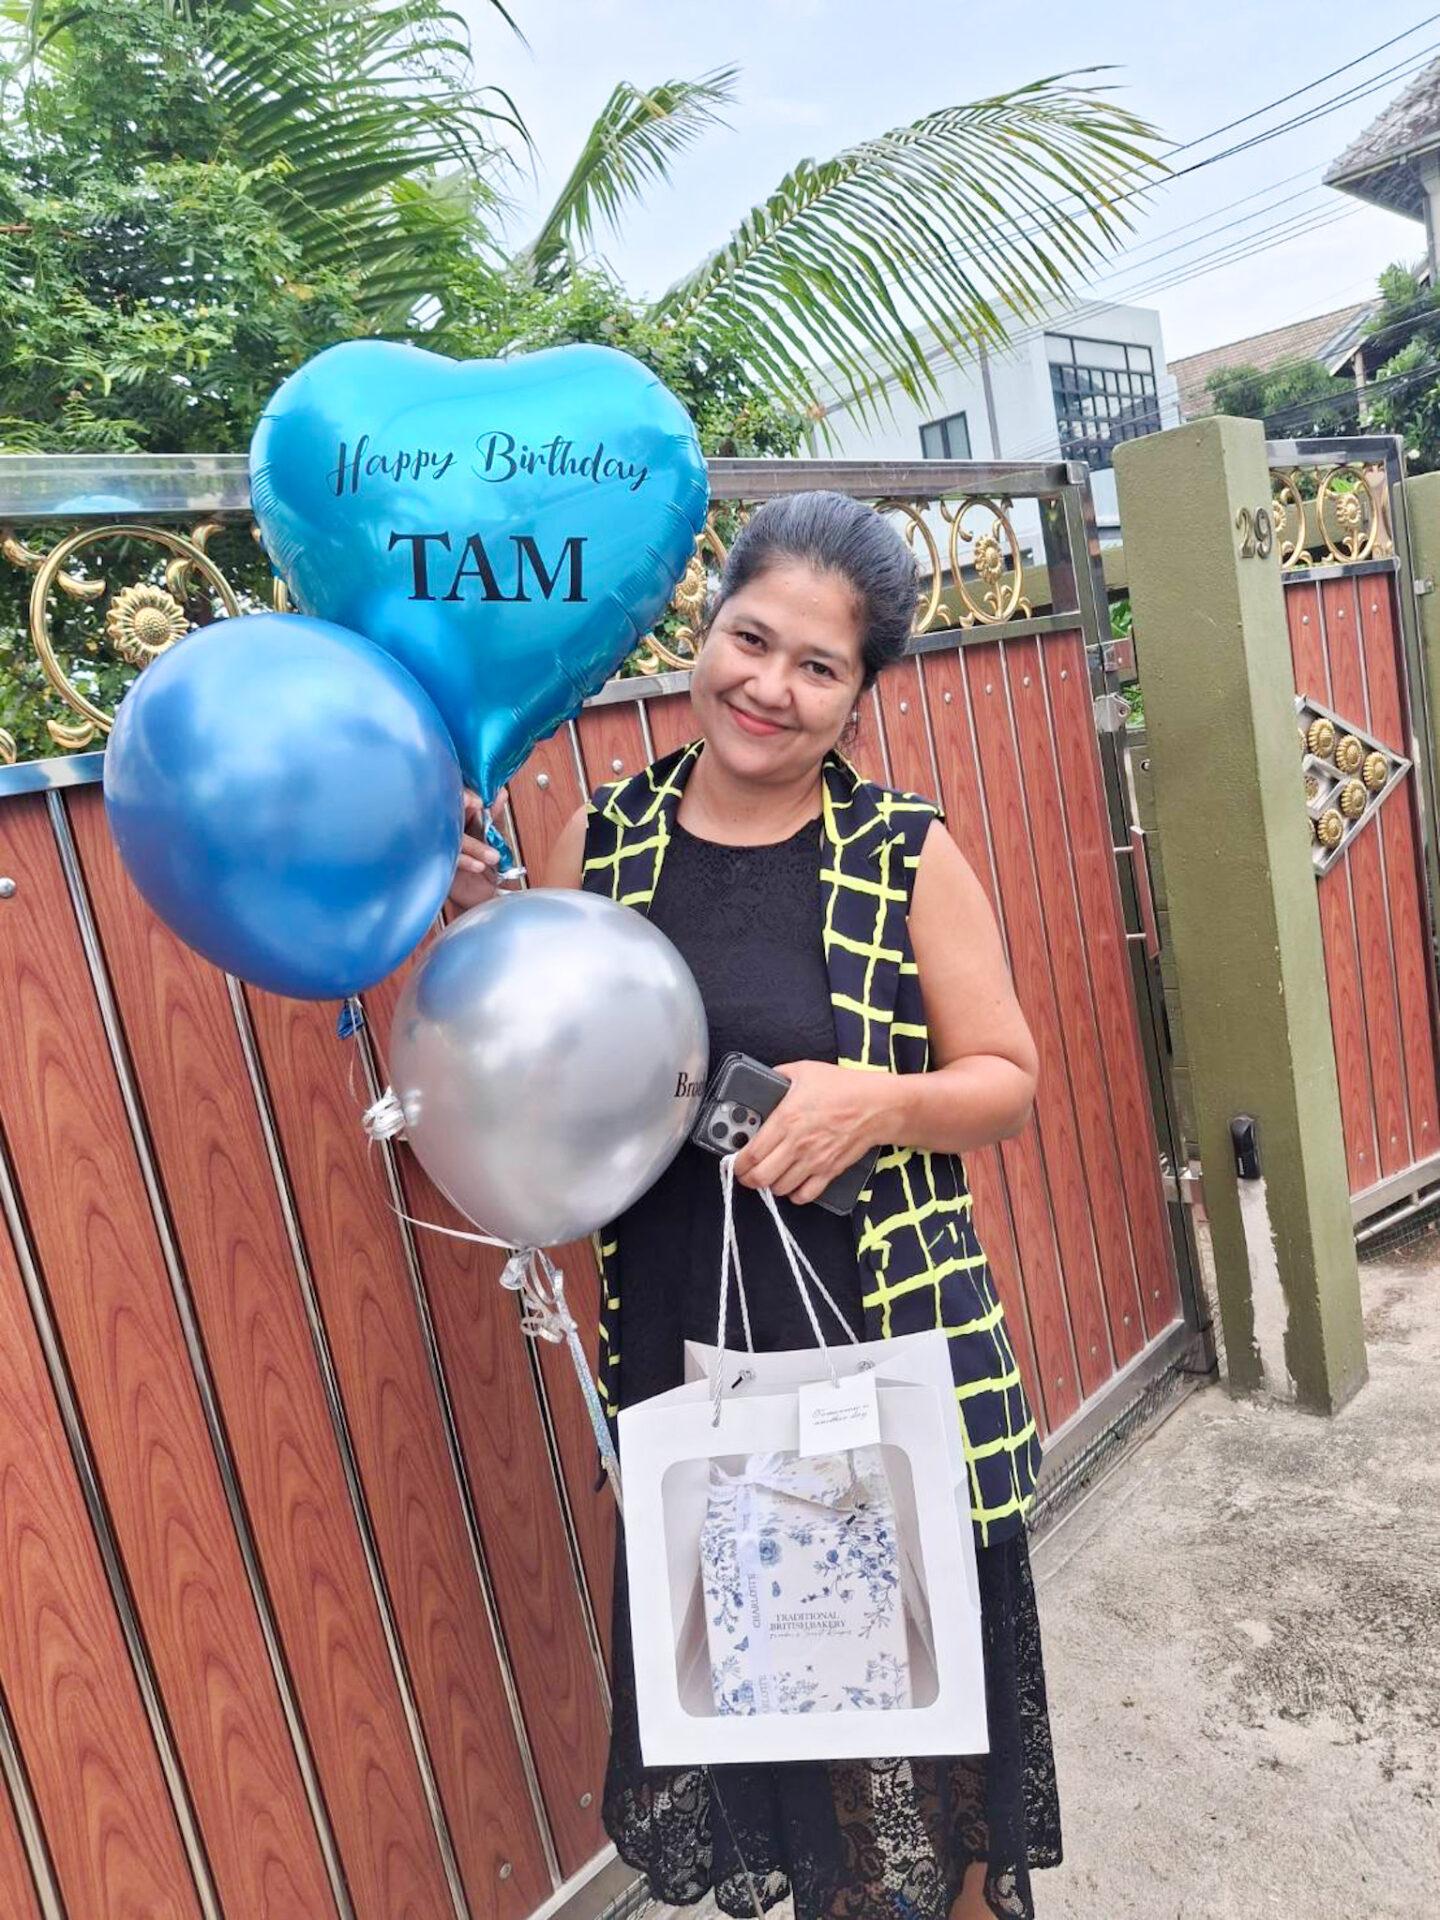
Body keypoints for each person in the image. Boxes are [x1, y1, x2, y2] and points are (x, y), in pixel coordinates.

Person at [449, 491, 1060, 1920]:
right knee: (785, 1747)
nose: (769, 687)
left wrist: (877, 1098)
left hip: (879, 1365)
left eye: (818, 665)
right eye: (751, 638)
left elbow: (1008, 1078)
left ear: (859, 696)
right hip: (690, 1371)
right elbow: (571, 1064)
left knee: (926, 1765)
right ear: (705, 630)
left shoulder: (905, 850)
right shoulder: (606, 844)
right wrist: (495, 933)